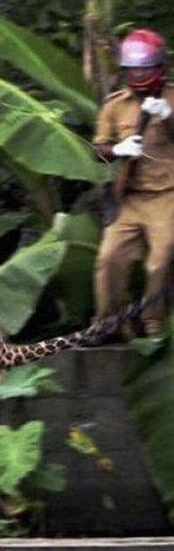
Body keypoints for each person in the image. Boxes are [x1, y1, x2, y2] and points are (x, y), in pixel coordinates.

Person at [93, 28, 174, 338]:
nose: (138, 73)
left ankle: (153, 320)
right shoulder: (114, 105)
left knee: (161, 259)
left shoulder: (171, 97)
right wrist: (117, 149)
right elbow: (97, 151)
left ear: (158, 67)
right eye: (132, 68)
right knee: (109, 258)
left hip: (167, 194)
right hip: (129, 197)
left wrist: (167, 116)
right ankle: (106, 322)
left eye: (145, 67)